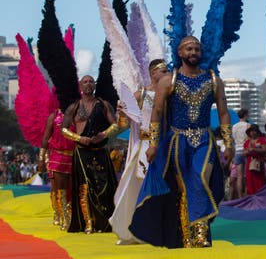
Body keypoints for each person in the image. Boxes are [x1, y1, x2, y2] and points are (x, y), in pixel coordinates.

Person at [131, 36, 234, 248]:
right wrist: (153, 144)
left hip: (205, 140)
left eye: (196, 49)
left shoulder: (214, 80)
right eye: (189, 49)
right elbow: (157, 113)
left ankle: (201, 233)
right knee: (184, 188)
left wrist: (229, 143)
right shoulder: (168, 81)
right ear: (180, 53)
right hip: (177, 141)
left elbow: (223, 113)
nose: (193, 52)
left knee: (200, 179)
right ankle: (186, 234)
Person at [109, 59, 169, 244]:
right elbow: (123, 124)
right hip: (145, 146)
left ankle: (162, 228)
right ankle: (138, 228)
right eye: (163, 70)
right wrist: (122, 112)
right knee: (142, 186)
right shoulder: (142, 94)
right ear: (153, 73)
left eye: (168, 70)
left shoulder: (169, 93)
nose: (167, 73)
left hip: (165, 146)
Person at [61, 75, 119, 234]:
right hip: (81, 152)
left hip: (100, 151)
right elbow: (64, 129)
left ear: (94, 85)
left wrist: (104, 134)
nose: (88, 84)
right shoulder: (73, 107)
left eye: (91, 81)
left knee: (104, 186)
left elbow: (115, 125)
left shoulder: (104, 105)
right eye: (85, 82)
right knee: (85, 186)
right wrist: (79, 138)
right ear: (80, 85)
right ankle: (88, 222)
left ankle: (106, 221)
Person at [244, 124, 266, 194]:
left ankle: (259, 199)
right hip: (249, 164)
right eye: (251, 131)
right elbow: (243, 153)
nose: (253, 133)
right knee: (250, 182)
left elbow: (265, 150)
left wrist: (255, 150)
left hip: (259, 163)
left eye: (254, 131)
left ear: (257, 132)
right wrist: (247, 152)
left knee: (259, 182)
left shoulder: (261, 140)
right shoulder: (247, 142)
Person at [232, 108, 250, 197]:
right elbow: (248, 139)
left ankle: (239, 196)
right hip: (246, 150)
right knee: (247, 175)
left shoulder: (234, 126)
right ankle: (246, 194)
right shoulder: (248, 126)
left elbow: (233, 140)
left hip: (237, 150)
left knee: (239, 176)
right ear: (245, 115)